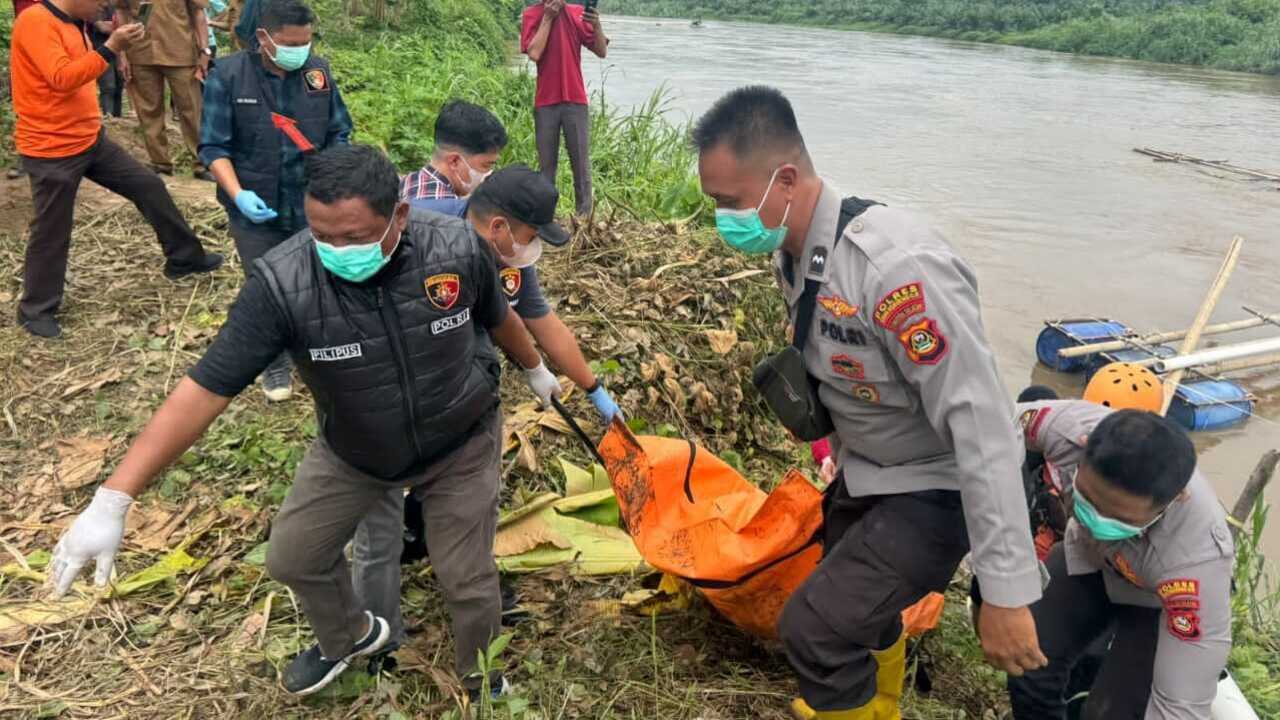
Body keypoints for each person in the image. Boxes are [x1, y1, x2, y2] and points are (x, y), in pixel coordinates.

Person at [44, 143, 564, 698]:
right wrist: (114, 498)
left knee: (467, 577)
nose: (338, 250)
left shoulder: (456, 248)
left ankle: (483, 679)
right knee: (294, 556)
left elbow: (497, 315)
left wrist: (534, 368)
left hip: (460, 437)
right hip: (357, 448)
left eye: (356, 237)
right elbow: (205, 387)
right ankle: (353, 635)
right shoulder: (282, 285)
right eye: (324, 236)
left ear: (400, 216)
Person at [690, 86, 1046, 720]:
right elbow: (834, 367)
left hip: (939, 484)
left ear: (786, 179)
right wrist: (834, 450)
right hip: (874, 469)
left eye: (728, 202)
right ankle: (879, 705)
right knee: (853, 607)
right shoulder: (795, 250)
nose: (722, 219)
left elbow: (985, 426)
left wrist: (1006, 592)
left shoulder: (895, 269)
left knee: (815, 628)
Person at [354, 164, 621, 651]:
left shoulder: (508, 256)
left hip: (465, 384)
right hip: (392, 385)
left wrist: (592, 389)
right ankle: (377, 632)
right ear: (500, 226)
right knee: (386, 514)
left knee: (468, 492)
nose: (533, 246)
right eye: (532, 234)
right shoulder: (413, 233)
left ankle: (456, 562)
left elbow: (538, 319)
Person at [1004, 401, 1233, 719]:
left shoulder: (1196, 564)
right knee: (1027, 661)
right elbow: (980, 425)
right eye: (1089, 500)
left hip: (1156, 602)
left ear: (1176, 499)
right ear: (1083, 447)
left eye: (1118, 519)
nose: (1098, 519)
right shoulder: (1065, 429)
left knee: (1111, 713)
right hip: (1087, 557)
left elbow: (1180, 706)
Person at [10, 0, 223, 339]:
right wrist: (111, 48)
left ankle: (185, 257)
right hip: (52, 148)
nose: (104, 8)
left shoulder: (72, 22)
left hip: (89, 139)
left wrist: (111, 43)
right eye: (99, 2)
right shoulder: (35, 22)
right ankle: (35, 309)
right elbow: (62, 78)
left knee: (147, 185)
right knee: (52, 229)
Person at [198, 0, 353, 401]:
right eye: (291, 43)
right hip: (255, 203)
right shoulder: (229, 76)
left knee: (320, 276)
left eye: (306, 41)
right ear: (263, 38)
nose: (300, 50)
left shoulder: (316, 73)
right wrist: (238, 194)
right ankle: (275, 364)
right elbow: (214, 147)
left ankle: (320, 353)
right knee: (267, 283)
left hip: (310, 199)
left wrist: (333, 175)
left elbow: (338, 131)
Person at [520, 0, 608, 217]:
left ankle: (585, 217)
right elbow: (535, 53)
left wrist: (596, 25)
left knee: (581, 165)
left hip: (575, 100)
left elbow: (601, 51)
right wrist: (548, 17)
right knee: (546, 167)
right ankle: (544, 217)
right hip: (545, 102)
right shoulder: (532, 15)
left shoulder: (577, 13)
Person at [113, 0, 212, 181]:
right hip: (140, 53)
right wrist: (122, 54)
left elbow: (199, 14)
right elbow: (121, 11)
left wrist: (204, 51)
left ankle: (202, 163)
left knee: (192, 110)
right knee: (148, 111)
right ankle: (160, 163)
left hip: (180, 53)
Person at [400, 99, 506, 205]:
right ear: (454, 161)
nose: (489, 174)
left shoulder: (410, 180)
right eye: (486, 165)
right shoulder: (447, 215)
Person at [90, 4, 125, 117]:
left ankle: (117, 118)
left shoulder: (115, 5)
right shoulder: (94, 5)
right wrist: (119, 27)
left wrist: (118, 27)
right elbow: (103, 27)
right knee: (108, 86)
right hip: (101, 48)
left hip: (118, 48)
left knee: (119, 84)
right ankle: (108, 117)